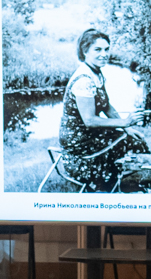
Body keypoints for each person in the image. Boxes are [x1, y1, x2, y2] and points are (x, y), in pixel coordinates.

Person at [56, 29, 139, 191]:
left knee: (133, 139)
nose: (104, 54)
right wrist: (124, 122)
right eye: (98, 50)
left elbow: (106, 106)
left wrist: (127, 128)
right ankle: (110, 183)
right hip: (79, 144)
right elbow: (90, 120)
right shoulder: (84, 80)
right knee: (130, 143)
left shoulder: (96, 72)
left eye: (107, 49)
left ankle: (127, 181)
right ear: (85, 51)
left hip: (88, 135)